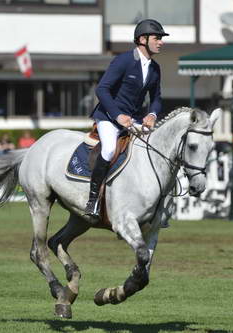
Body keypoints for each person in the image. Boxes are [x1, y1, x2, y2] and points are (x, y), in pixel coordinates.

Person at [84, 19, 168, 219]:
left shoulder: (155, 68)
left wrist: (152, 114)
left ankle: (156, 204)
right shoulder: (123, 61)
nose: (161, 42)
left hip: (134, 120)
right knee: (109, 149)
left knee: (157, 148)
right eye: (157, 38)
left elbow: (156, 99)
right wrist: (117, 115)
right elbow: (102, 90)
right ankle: (93, 200)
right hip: (108, 117)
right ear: (142, 39)